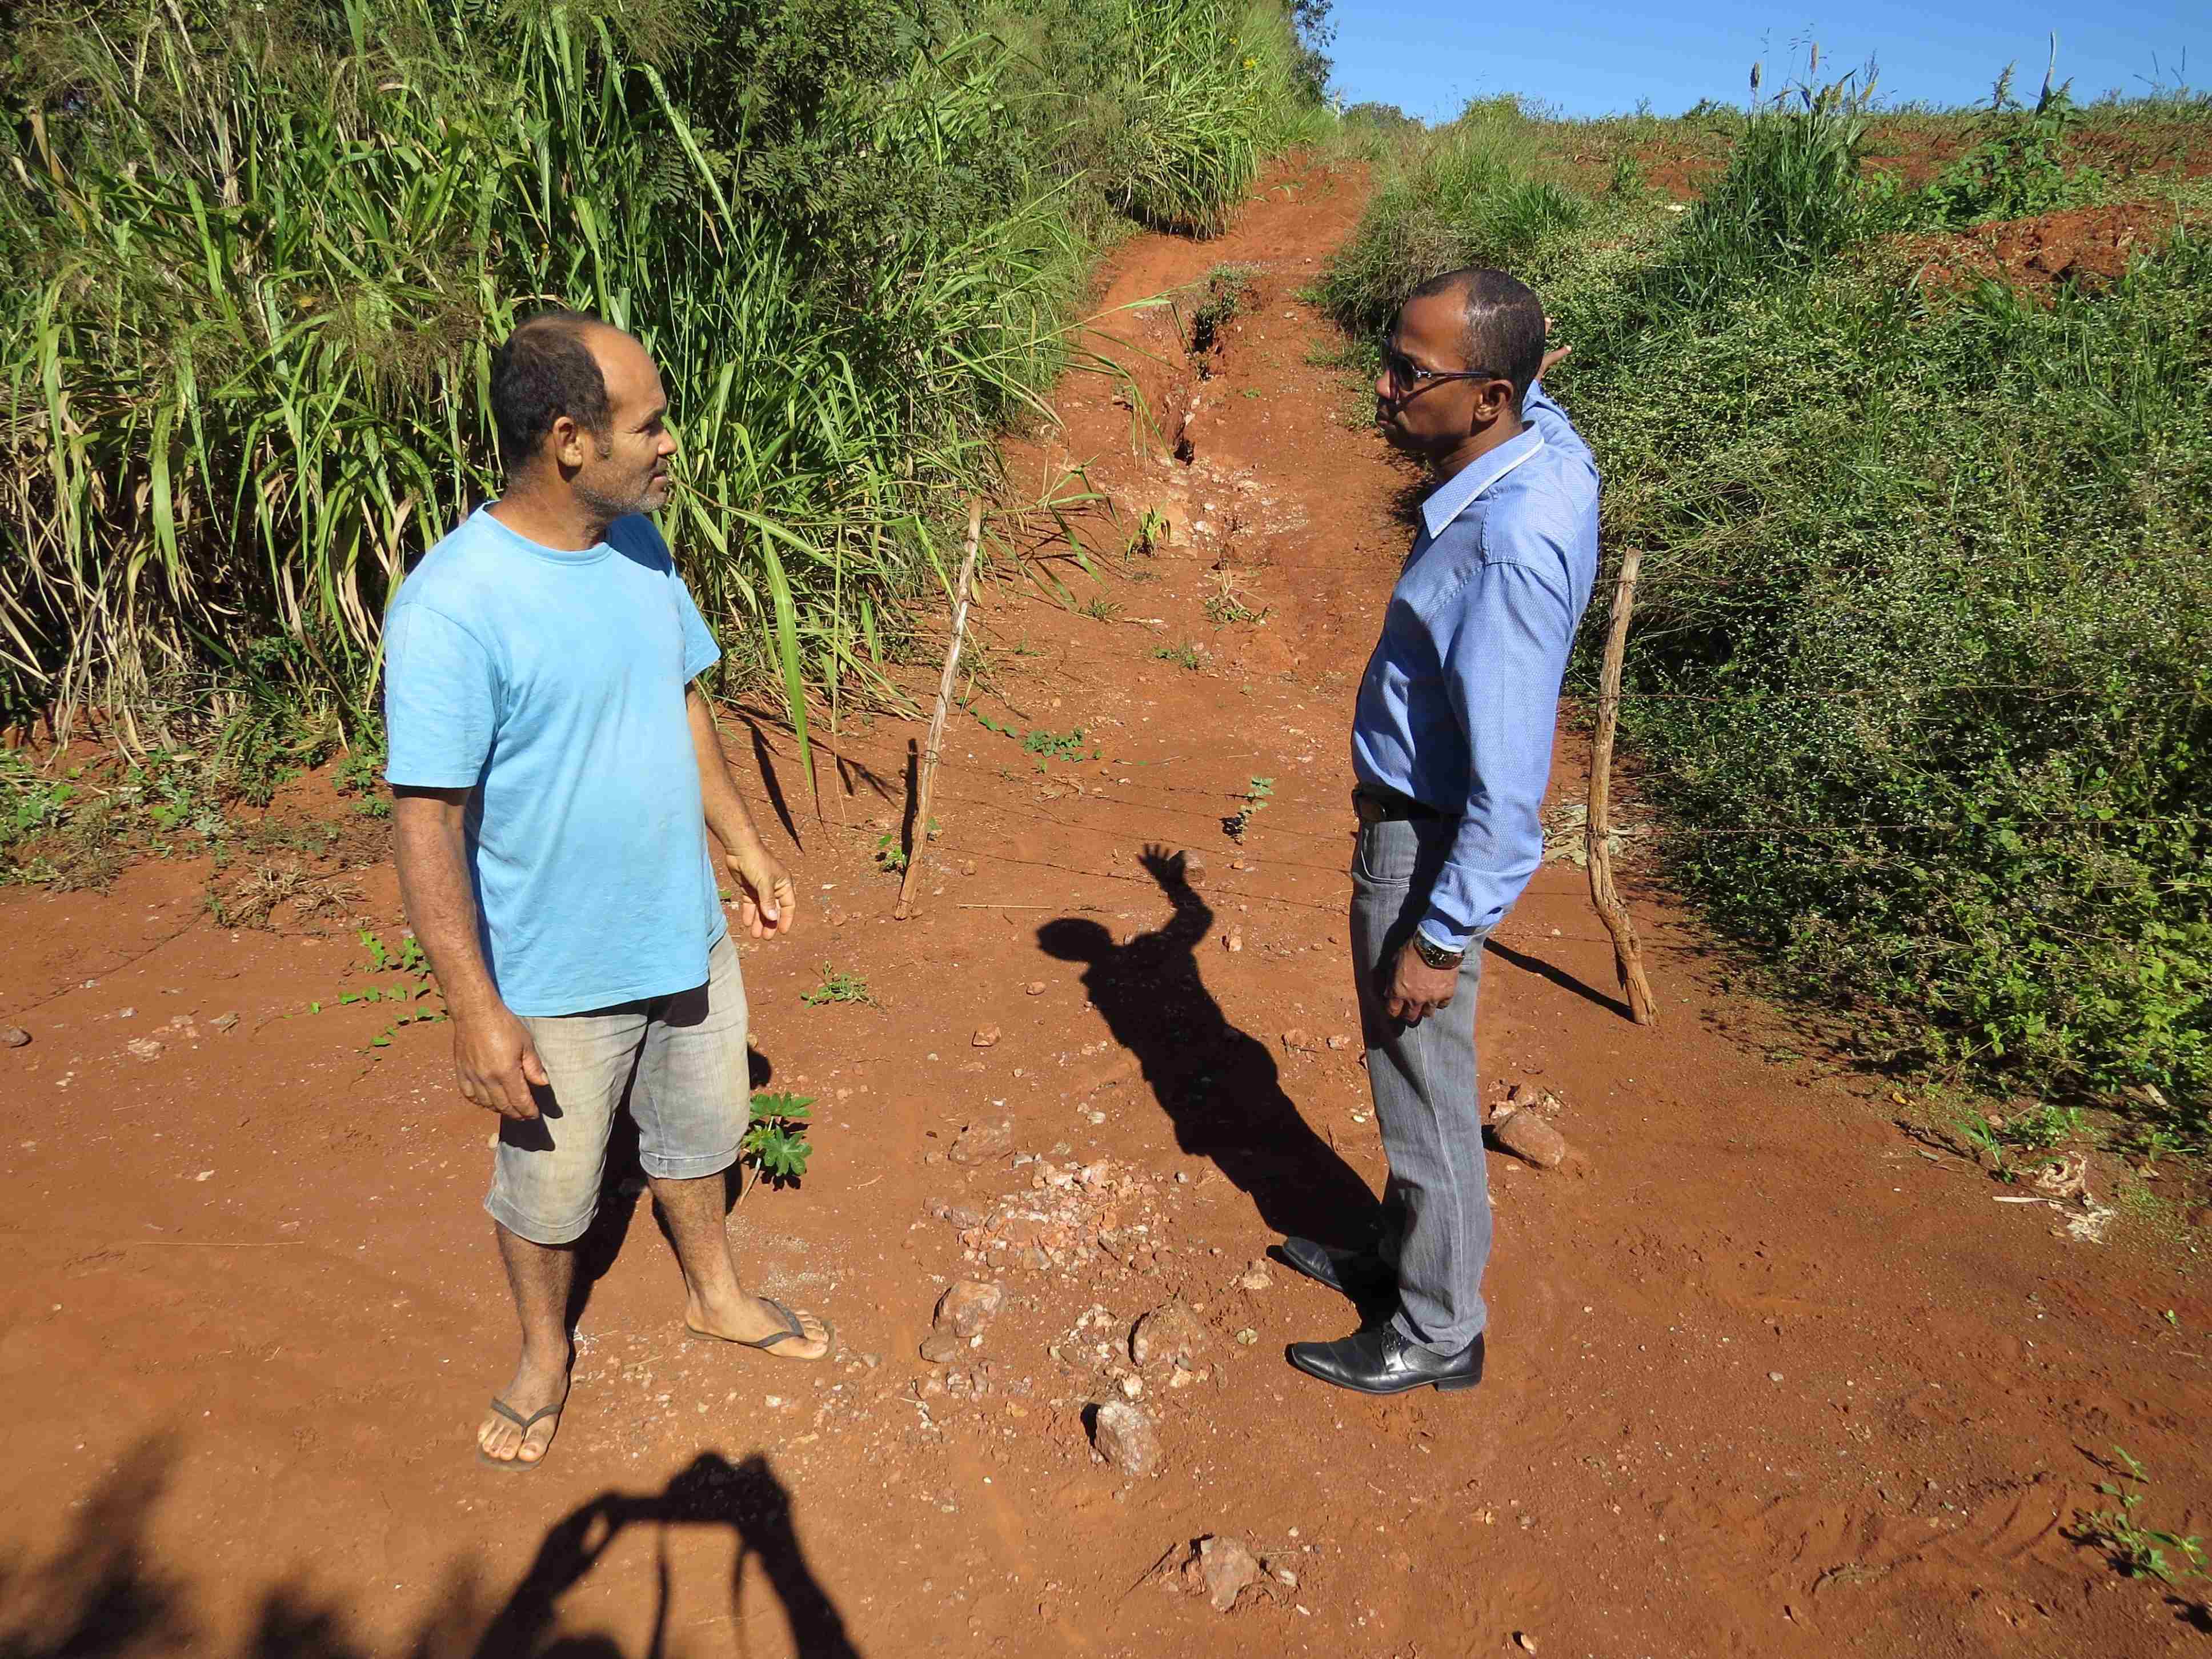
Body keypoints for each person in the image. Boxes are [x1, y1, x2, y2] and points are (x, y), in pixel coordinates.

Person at [385, 311, 830, 1472]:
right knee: (549, 1193)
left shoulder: (638, 546)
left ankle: (715, 1293)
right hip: (556, 972)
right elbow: (426, 822)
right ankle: (544, 1354)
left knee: (700, 1133)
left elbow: (680, 700)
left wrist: (742, 845)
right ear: (570, 440)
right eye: (651, 424)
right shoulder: (454, 606)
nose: (672, 443)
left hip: (684, 933)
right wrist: (475, 1010)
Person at [1281, 268, 1598, 1396]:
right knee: (1412, 1076)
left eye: (1409, 373)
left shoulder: (1506, 551)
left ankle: (1438, 1327)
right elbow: (1544, 394)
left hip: (1427, 845)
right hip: (1419, 827)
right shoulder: (1547, 451)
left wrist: (1439, 936)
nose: (1383, 387)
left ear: (1487, 398)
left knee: (1421, 1086)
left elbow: (1510, 798)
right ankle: (1406, 1256)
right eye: (1389, 356)